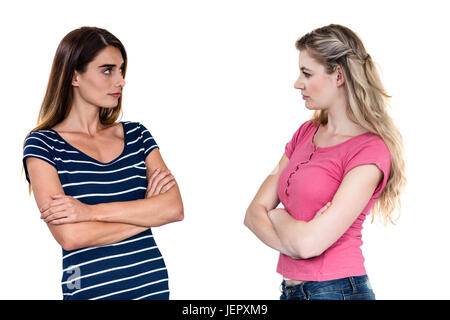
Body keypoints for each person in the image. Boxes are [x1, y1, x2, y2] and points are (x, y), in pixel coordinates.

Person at [244, 24, 406, 300]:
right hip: (291, 291)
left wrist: (277, 215)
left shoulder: (370, 150)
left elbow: (308, 245)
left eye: (307, 73)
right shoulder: (306, 133)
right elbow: (252, 214)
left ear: (338, 75)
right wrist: (295, 238)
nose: (298, 83)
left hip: (338, 290)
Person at [22, 26, 184, 300]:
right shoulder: (42, 145)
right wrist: (146, 212)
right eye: (107, 70)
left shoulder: (137, 135)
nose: (120, 81)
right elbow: (71, 236)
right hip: (90, 292)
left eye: (121, 70)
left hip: (152, 287)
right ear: (74, 75)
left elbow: (174, 208)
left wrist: (89, 212)